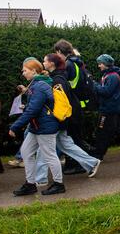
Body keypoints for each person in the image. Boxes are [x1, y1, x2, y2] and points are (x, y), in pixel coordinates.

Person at [9, 58, 65, 196]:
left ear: (34, 71)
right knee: (26, 151)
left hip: (45, 127)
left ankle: (59, 184)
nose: (23, 73)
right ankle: (30, 184)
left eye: (25, 70)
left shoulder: (39, 86)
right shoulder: (37, 84)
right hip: (38, 126)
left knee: (50, 155)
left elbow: (33, 109)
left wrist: (15, 126)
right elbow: (35, 106)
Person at [42, 54, 100, 177]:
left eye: (45, 61)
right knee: (66, 145)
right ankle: (92, 162)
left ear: (51, 64)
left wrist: (59, 119)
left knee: (45, 147)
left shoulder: (57, 80)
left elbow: (62, 103)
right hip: (69, 115)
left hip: (63, 117)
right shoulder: (60, 76)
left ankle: (39, 178)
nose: (43, 63)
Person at [53, 40, 94, 172]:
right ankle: (81, 162)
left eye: (56, 52)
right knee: (75, 136)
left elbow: (63, 83)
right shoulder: (77, 63)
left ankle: (80, 164)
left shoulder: (68, 65)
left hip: (72, 105)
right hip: (78, 104)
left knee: (74, 137)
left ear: (59, 51)